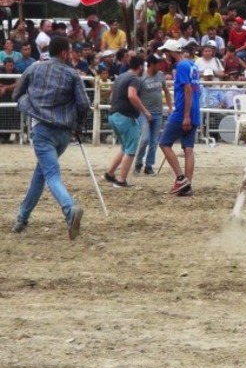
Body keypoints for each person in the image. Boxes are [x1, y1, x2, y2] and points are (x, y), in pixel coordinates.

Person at [11, 36, 90, 239]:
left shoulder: (35, 68)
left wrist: (27, 106)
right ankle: (22, 217)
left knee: (51, 174)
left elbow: (17, 94)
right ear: (64, 52)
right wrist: (79, 126)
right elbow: (84, 104)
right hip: (63, 133)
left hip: (41, 131)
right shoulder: (73, 74)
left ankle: (69, 209)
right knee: (42, 173)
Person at [158, 39, 201, 197]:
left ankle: (180, 178)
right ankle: (187, 185)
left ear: (171, 52)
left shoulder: (181, 66)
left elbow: (187, 90)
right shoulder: (192, 64)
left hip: (183, 110)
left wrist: (185, 116)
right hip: (194, 110)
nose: (165, 56)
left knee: (164, 143)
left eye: (166, 52)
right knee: (188, 148)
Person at [103, 56, 151, 188]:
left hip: (114, 115)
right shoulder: (134, 79)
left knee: (125, 147)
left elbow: (112, 95)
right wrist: (145, 111)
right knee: (131, 148)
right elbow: (131, 95)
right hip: (125, 117)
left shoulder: (121, 76)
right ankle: (121, 180)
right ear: (140, 66)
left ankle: (110, 173)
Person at [135, 54, 172, 175]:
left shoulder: (160, 75)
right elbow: (135, 95)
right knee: (145, 139)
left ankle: (149, 166)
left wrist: (170, 107)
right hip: (143, 113)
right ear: (151, 64)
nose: (160, 65)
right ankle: (138, 163)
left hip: (157, 112)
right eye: (157, 63)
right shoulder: (141, 78)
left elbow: (166, 91)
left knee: (154, 141)